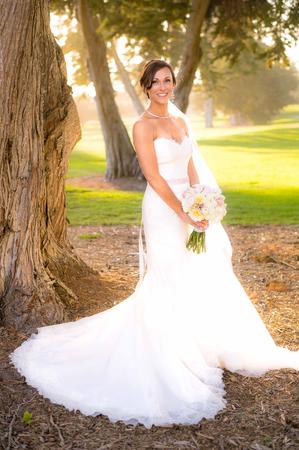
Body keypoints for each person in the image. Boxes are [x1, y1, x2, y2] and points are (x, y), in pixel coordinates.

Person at [10, 59, 299, 429]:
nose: (162, 86)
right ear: (145, 88)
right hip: (163, 210)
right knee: (169, 274)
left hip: (190, 206)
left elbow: (191, 166)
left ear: (173, 84)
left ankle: (201, 342)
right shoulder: (143, 126)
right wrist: (183, 212)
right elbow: (154, 176)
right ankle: (172, 351)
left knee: (197, 271)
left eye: (167, 80)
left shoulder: (180, 121)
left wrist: (201, 201)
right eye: (155, 82)